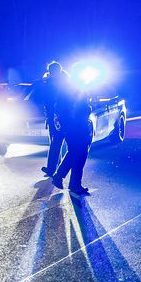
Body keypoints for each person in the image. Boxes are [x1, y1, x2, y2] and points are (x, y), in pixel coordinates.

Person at [51, 67, 93, 195]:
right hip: (76, 127)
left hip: (73, 127)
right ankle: (69, 181)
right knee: (79, 154)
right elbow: (78, 109)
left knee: (76, 153)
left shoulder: (69, 88)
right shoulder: (74, 89)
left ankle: (68, 180)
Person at [38, 61, 70, 176]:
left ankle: (52, 169)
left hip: (57, 117)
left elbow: (48, 100)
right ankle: (54, 168)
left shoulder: (51, 83)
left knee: (55, 142)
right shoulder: (66, 82)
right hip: (62, 117)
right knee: (57, 142)